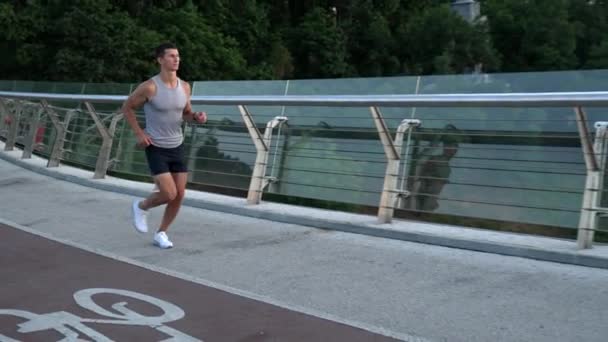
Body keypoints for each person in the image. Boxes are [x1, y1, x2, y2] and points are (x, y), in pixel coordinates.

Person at [122, 42, 207, 249]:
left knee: (179, 194)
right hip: (156, 146)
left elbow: (185, 114)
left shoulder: (185, 87)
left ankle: (161, 233)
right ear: (160, 60)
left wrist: (195, 117)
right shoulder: (149, 87)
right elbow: (127, 108)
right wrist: (139, 133)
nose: (176, 59)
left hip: (177, 145)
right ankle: (141, 206)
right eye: (171, 56)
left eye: (177, 56)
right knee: (169, 193)